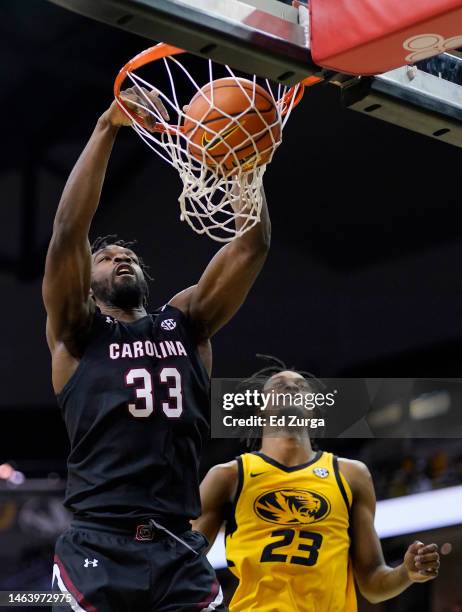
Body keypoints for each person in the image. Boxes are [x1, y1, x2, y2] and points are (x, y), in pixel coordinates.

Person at [43, 88, 270, 611]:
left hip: (176, 545)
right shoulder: (78, 334)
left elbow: (251, 246)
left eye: (127, 256)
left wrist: (244, 161)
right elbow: (66, 232)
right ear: (88, 280)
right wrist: (108, 126)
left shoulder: (188, 322)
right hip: (98, 542)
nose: (118, 257)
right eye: (105, 257)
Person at [193, 369, 441, 611]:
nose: (290, 389)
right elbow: (182, 561)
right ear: (261, 413)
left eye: (300, 387)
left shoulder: (351, 475)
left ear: (312, 411)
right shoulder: (229, 476)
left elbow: (373, 583)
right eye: (279, 386)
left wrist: (406, 572)